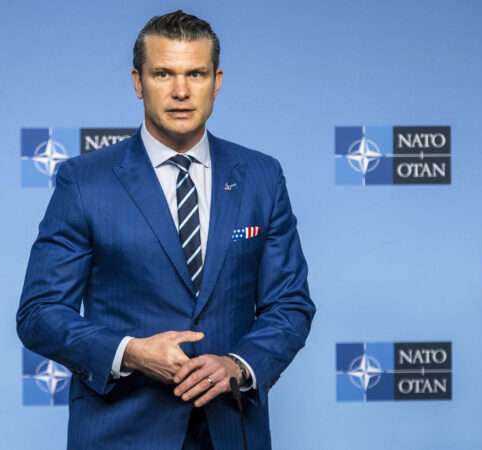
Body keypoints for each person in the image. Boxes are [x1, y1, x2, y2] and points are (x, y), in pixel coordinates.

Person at [17, 10, 315, 450]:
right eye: (163, 74)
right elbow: (39, 312)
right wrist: (131, 353)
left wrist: (238, 364)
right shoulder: (84, 181)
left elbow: (289, 304)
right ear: (138, 82)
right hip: (122, 433)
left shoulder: (261, 177)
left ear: (217, 81)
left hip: (232, 431)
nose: (180, 91)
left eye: (195, 74)